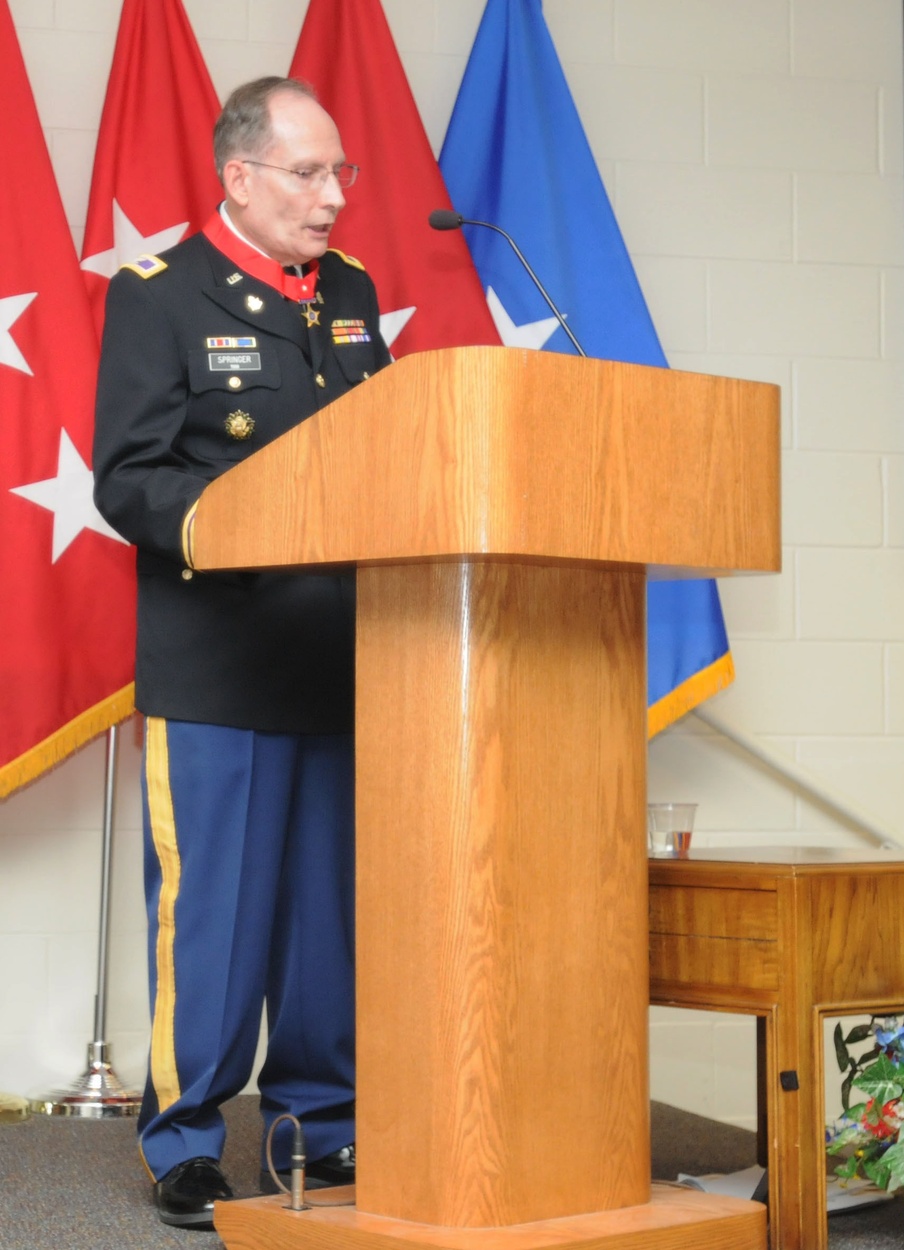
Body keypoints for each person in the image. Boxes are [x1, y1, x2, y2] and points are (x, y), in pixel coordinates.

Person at [92, 76, 392, 1230]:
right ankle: (187, 1141)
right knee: (212, 918)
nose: (331, 198)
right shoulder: (159, 295)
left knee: (328, 917)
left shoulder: (353, 292)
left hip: (344, 660)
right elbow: (132, 472)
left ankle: (321, 1122)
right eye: (309, 174)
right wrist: (244, 530)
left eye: (340, 174)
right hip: (218, 659)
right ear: (240, 177)